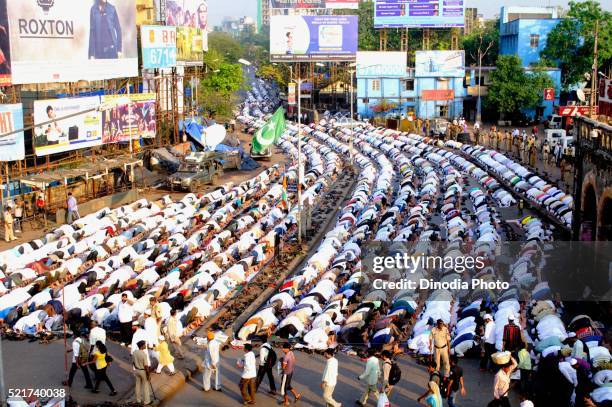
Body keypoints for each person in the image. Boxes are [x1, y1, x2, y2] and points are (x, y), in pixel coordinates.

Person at [133, 340, 152, 405]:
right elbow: (146, 366)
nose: (145, 345)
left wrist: (136, 368)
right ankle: (147, 401)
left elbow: (133, 362)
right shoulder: (143, 354)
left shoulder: (134, 352)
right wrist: (148, 375)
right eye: (144, 344)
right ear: (142, 346)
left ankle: (138, 400)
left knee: (137, 385)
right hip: (143, 371)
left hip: (137, 370)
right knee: (145, 386)